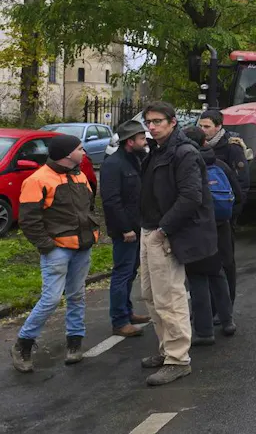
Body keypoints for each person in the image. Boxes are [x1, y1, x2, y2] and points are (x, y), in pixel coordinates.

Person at [139, 101, 218, 387]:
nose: (152, 126)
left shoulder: (183, 153)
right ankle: (166, 349)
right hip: (150, 230)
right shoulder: (158, 150)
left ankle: (177, 359)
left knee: (169, 297)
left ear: (172, 122)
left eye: (158, 121)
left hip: (166, 233)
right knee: (150, 295)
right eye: (149, 122)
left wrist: (163, 230)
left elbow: (190, 197)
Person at [10, 134, 96, 373]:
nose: (84, 152)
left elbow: (87, 205)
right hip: (57, 249)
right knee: (51, 299)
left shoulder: (79, 175)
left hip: (81, 246)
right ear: (68, 154)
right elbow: (28, 220)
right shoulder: (37, 180)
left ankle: (74, 343)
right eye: (80, 149)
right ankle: (23, 344)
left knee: (77, 295)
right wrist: (48, 246)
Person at [182, 126, 237, 344]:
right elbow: (238, 193)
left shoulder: (186, 164)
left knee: (197, 280)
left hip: (194, 228)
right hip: (219, 228)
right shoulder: (218, 163)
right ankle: (227, 320)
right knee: (218, 274)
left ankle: (204, 331)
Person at [100, 120, 152, 338]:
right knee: (122, 274)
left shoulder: (136, 160)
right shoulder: (113, 164)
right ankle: (119, 321)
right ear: (130, 142)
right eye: (141, 138)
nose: (145, 142)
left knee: (130, 272)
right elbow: (111, 201)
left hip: (137, 227)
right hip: (126, 231)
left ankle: (127, 312)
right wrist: (125, 229)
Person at [197, 109, 249, 221]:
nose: (202, 130)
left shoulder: (232, 147)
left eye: (207, 127)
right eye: (200, 126)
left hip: (225, 204)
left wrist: (233, 210)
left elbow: (242, 182)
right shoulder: (199, 145)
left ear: (218, 126)